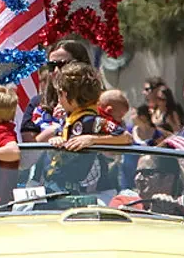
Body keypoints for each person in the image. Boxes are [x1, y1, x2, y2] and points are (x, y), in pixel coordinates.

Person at [45, 63, 132, 194]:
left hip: (80, 189)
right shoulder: (70, 119)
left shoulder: (92, 120)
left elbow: (126, 137)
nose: (59, 99)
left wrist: (92, 139)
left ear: (66, 95)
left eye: (60, 94)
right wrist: (56, 139)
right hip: (57, 184)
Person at [21, 40, 94, 144]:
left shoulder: (100, 102)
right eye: (51, 66)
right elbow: (29, 146)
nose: (55, 71)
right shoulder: (37, 103)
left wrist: (92, 139)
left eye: (62, 64)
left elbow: (120, 137)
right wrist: (55, 131)